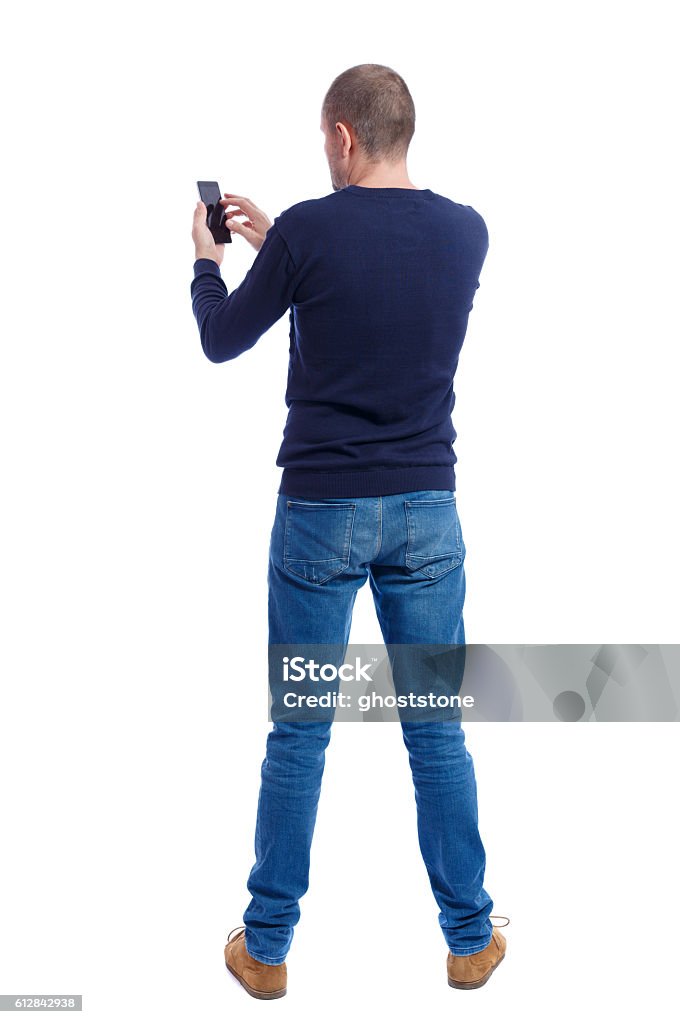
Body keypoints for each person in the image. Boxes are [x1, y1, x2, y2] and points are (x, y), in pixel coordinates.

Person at [190, 63, 509, 1000]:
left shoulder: (308, 232)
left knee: (300, 734)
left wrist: (212, 260)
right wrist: (282, 244)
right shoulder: (466, 232)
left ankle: (268, 949)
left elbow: (222, 338)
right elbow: (380, 289)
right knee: (436, 733)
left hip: (320, 514)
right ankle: (467, 938)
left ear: (341, 137)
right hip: (425, 512)